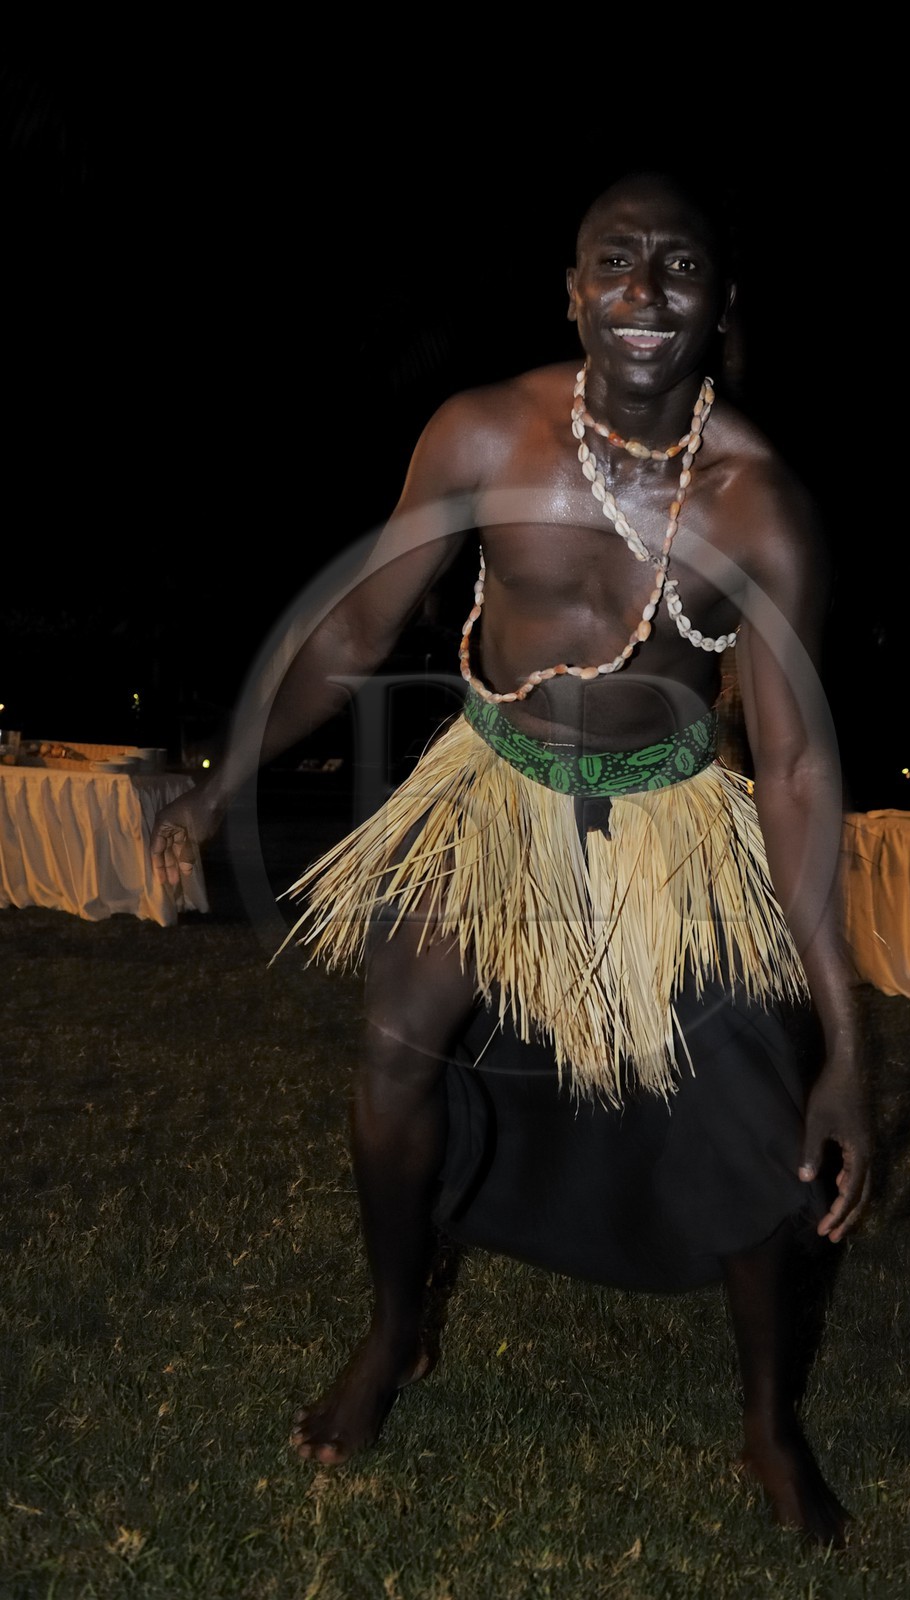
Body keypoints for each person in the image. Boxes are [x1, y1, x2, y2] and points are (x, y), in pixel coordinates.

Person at [151, 168, 871, 1546]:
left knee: (763, 1126)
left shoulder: (760, 506)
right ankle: (390, 1332)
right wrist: (224, 773)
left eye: (678, 269)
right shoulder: (482, 434)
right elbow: (355, 634)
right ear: (568, 287)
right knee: (394, 1054)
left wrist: (843, 1047)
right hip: (490, 788)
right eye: (615, 263)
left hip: (668, 814)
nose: (643, 297)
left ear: (722, 304)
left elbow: (790, 764)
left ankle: (770, 1421)